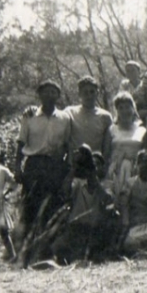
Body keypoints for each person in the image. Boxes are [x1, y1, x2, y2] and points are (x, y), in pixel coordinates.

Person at [15, 80, 72, 233]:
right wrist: (17, 167)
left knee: (52, 204)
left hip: (55, 166)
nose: (49, 95)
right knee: (30, 204)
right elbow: (21, 142)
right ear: (39, 95)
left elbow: (67, 145)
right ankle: (26, 246)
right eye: (45, 92)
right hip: (34, 164)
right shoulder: (29, 115)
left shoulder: (64, 118)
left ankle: (48, 244)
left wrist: (66, 168)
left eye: (53, 92)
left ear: (58, 95)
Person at [50, 145, 116, 264]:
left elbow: (107, 199)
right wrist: (74, 168)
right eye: (92, 163)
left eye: (97, 165)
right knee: (57, 249)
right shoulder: (78, 184)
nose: (94, 167)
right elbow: (64, 192)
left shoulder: (108, 184)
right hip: (76, 228)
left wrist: (92, 173)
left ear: (103, 168)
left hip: (94, 230)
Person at [107, 92, 147, 200]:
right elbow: (106, 154)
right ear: (117, 111)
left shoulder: (142, 130)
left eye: (128, 107)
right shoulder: (111, 130)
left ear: (133, 109)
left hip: (135, 170)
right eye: (121, 108)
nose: (125, 111)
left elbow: (145, 153)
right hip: (116, 171)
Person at [66, 76, 113, 158]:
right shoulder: (70, 112)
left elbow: (107, 146)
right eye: (85, 92)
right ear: (79, 94)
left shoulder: (105, 116)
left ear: (97, 93)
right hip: (75, 164)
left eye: (92, 92)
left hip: (95, 163)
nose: (89, 96)